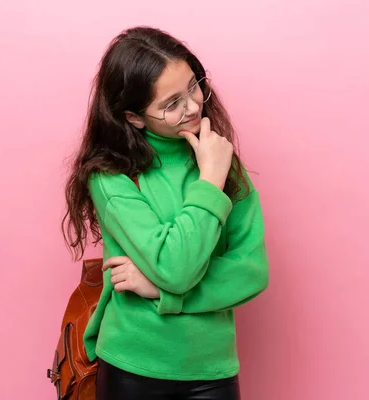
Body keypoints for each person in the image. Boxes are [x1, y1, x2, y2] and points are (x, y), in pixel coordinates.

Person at [62, 26, 269, 400]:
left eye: (193, 85)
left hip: (212, 368)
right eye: (171, 104)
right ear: (135, 118)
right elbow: (177, 268)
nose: (192, 105)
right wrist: (209, 180)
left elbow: (252, 270)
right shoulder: (112, 176)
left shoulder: (220, 160)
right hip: (132, 368)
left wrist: (161, 291)